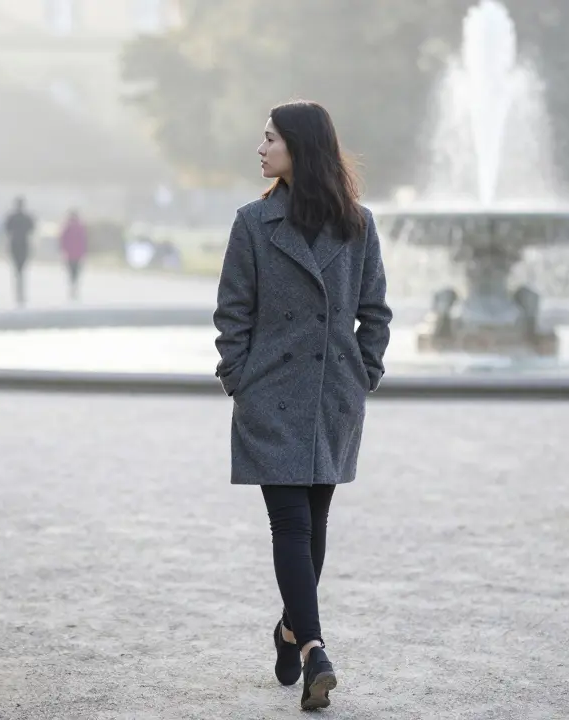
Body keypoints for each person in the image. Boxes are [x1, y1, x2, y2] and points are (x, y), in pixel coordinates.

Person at [212, 100, 393, 712]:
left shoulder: (359, 225)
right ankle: (316, 646)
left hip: (332, 397)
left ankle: (290, 629)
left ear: (300, 147)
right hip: (270, 397)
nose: (259, 149)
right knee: (290, 523)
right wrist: (239, 378)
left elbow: (377, 311)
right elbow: (232, 311)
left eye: (270, 139)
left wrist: (363, 372)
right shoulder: (252, 223)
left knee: (313, 529)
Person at [4, 196, 35, 306]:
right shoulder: (27, 217)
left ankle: (19, 291)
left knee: (17, 269)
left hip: (15, 245)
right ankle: (20, 291)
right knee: (21, 269)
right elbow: (32, 229)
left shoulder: (12, 217)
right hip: (23, 245)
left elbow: (7, 230)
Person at [58, 209, 88, 300]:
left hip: (71, 253)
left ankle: (73, 286)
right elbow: (83, 241)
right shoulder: (79, 227)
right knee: (75, 272)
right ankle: (74, 286)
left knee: (72, 271)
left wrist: (63, 250)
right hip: (76, 253)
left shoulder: (68, 227)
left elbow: (63, 240)